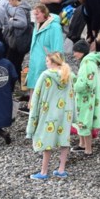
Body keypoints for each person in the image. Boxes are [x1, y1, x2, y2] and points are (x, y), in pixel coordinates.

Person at [27, 52, 75, 180]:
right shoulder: (68, 74)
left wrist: (34, 111)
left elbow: (37, 94)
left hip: (49, 111)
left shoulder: (45, 75)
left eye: (47, 61)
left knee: (46, 140)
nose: (45, 63)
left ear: (53, 62)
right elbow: (72, 95)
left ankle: (43, 171)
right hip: (65, 112)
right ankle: (61, 169)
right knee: (64, 139)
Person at [71, 40, 100, 156]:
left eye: (76, 52)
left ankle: (88, 149)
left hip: (86, 99)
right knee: (81, 121)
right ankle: (82, 144)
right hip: (90, 98)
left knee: (84, 121)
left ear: (81, 52)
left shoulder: (87, 64)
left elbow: (87, 84)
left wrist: (74, 83)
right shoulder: (92, 61)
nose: (74, 54)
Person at [22, 4, 64, 108]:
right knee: (33, 81)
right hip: (35, 59)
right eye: (34, 14)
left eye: (38, 14)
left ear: (44, 13)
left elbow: (58, 47)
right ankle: (32, 105)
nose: (35, 16)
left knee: (44, 83)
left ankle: (41, 106)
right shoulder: (37, 24)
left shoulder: (54, 27)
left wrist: (57, 64)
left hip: (46, 60)